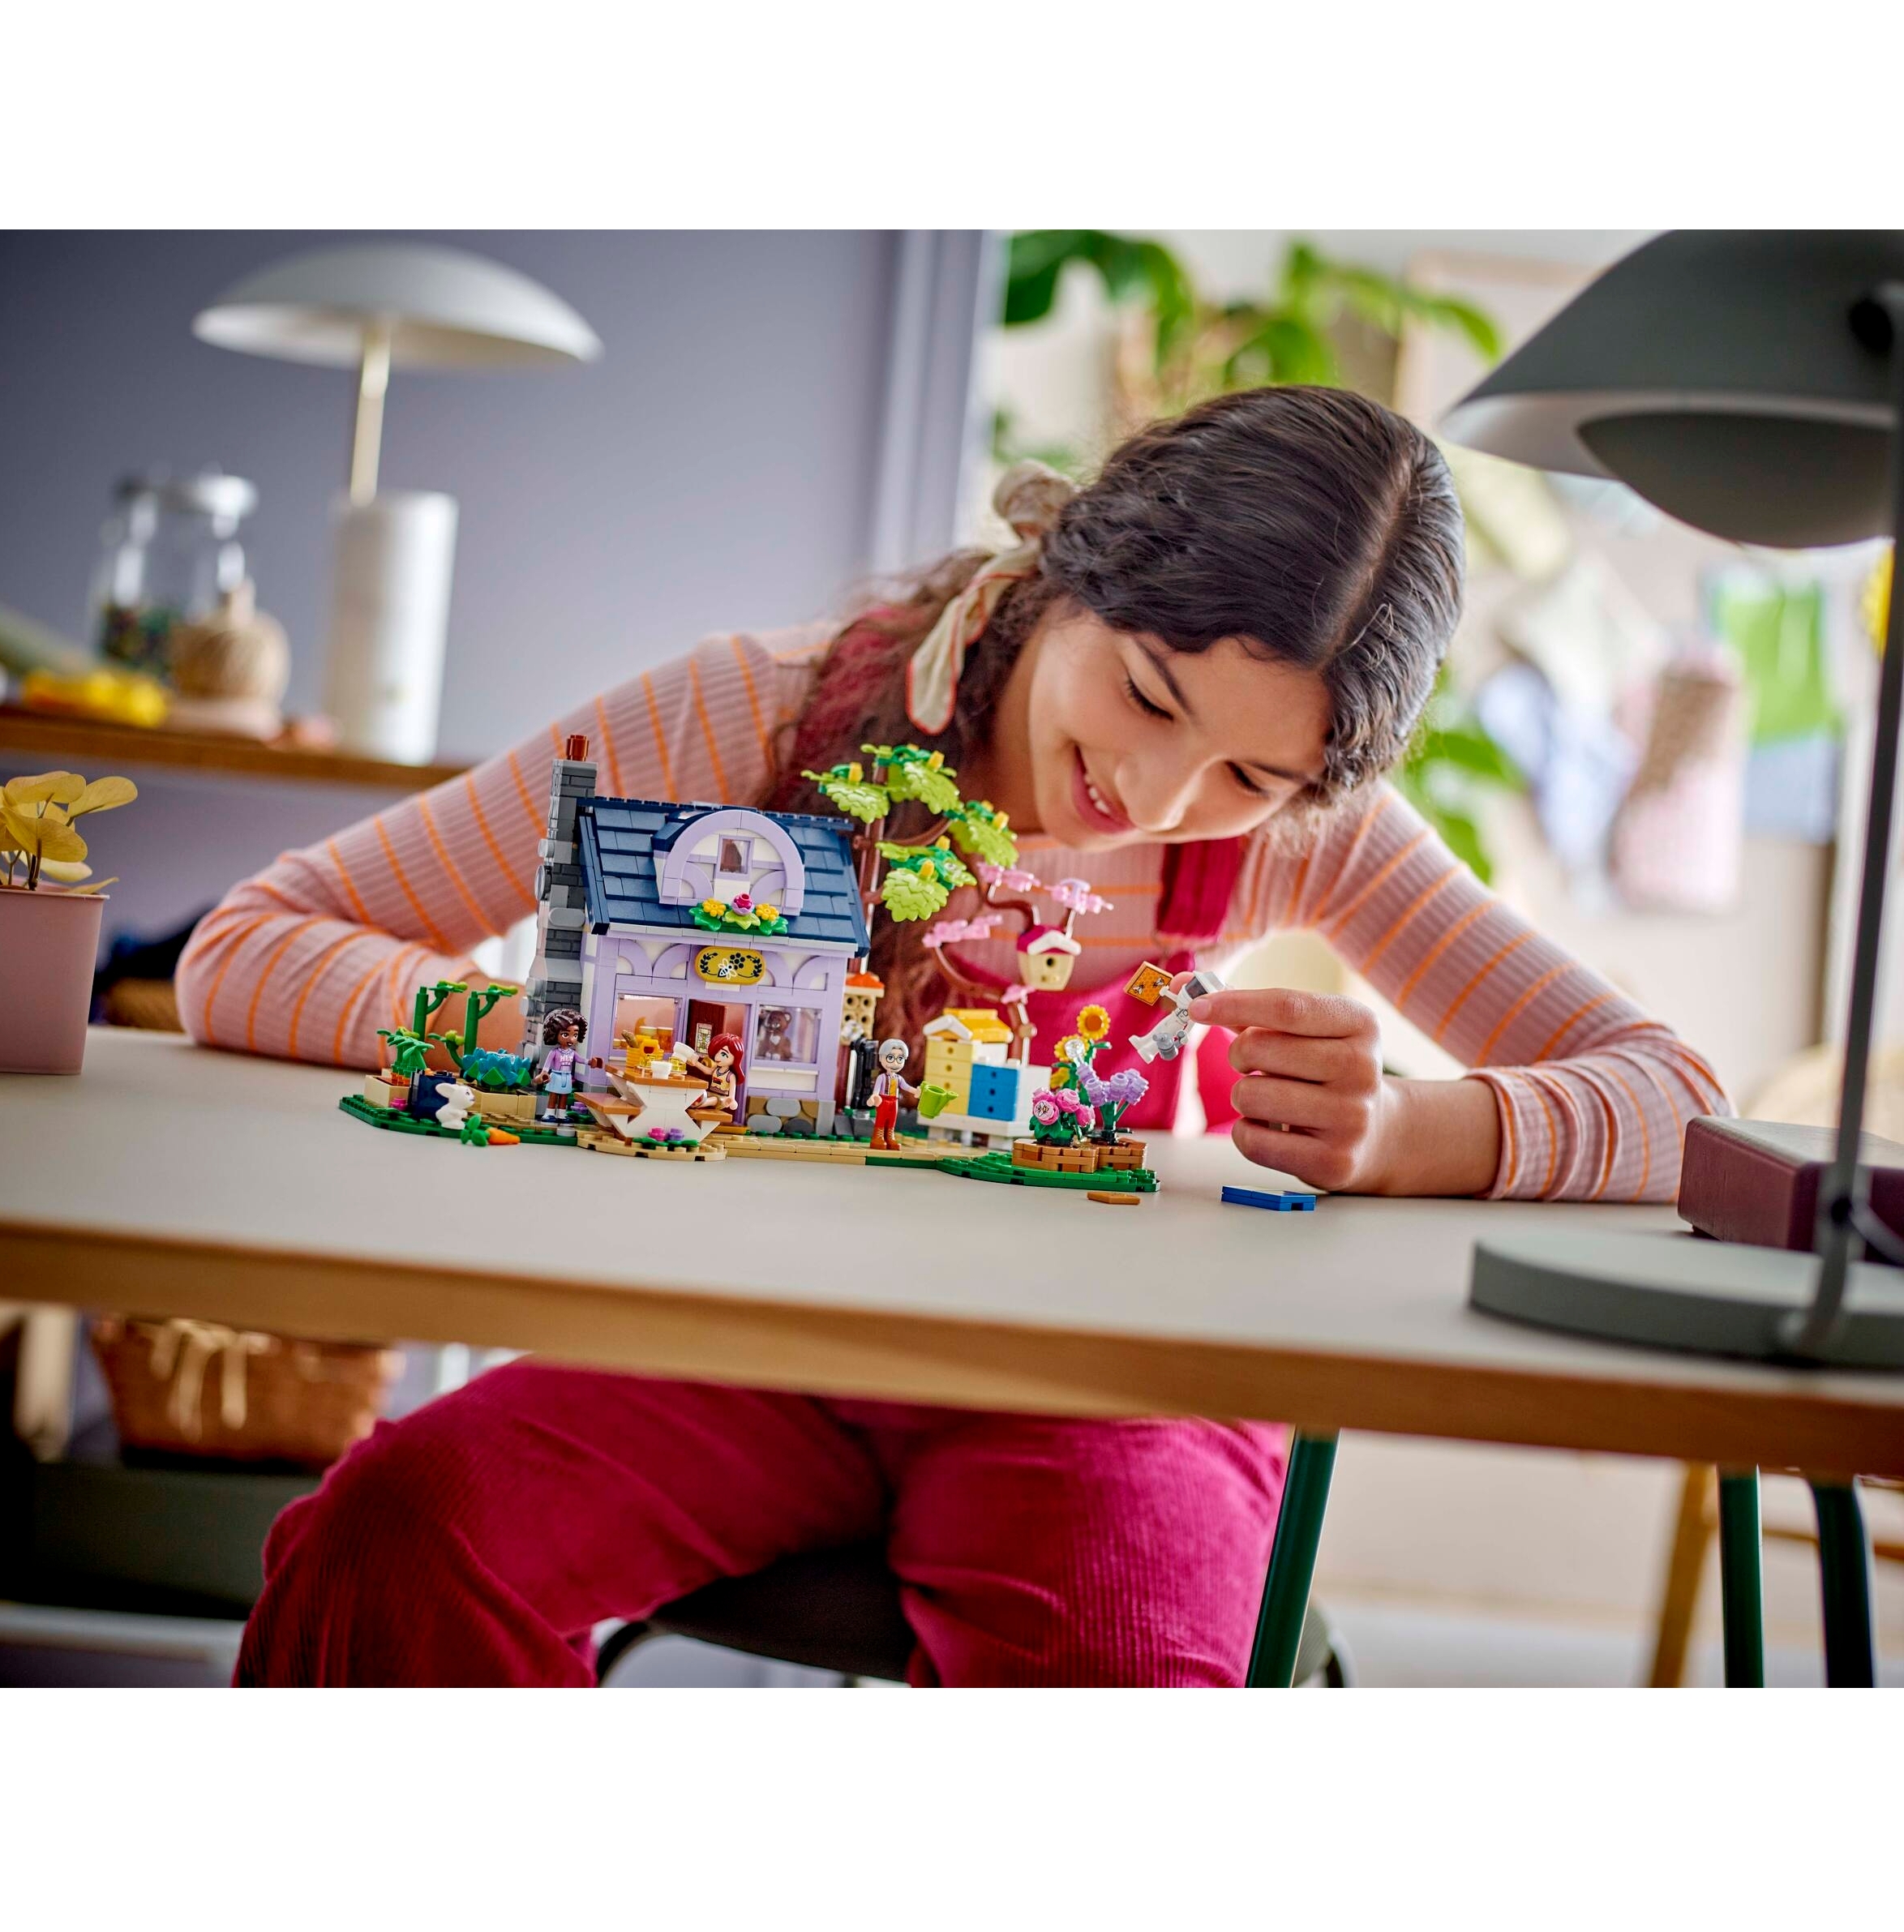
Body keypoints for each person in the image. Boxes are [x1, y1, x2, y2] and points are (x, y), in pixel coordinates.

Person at [176, 386, 1728, 1686]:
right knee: (398, 1537)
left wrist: (1405, 1131)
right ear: (1073, 562)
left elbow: (1679, 1104)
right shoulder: (754, 716)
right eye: (1148, 695)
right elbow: (247, 950)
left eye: (1252, 780)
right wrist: (564, 1023)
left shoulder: (1299, 838)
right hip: (756, 1349)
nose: (1158, 797)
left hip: (1109, 1391)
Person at [867, 1035, 918, 1150]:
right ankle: (878, 1137)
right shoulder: (881, 1077)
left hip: (894, 1101)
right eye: (890, 1058)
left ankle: (890, 1136)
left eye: (900, 1059)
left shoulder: (899, 1078)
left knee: (892, 1119)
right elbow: (876, 1090)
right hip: (883, 1100)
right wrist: (874, 1097)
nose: (895, 1063)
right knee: (881, 1119)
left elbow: (906, 1087)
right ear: (881, 1058)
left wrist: (916, 1091)